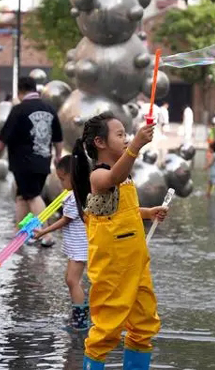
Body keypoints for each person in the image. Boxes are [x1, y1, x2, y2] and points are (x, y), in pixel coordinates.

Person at [71, 112, 168, 369]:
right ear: (100, 143)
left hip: (136, 264)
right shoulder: (98, 177)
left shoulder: (126, 176)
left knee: (144, 322)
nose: (126, 139)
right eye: (120, 135)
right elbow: (112, 179)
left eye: (127, 134)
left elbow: (120, 212)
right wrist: (136, 146)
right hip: (113, 267)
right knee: (107, 327)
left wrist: (147, 213)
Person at [0, 76, 63, 247]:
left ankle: (46, 234)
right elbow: (58, 137)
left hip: (23, 162)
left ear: (20, 91)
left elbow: (3, 137)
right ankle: (20, 233)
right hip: (43, 160)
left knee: (32, 196)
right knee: (22, 197)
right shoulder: (49, 109)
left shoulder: (19, 110)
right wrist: (58, 156)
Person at [33, 155, 90, 331]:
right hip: (77, 245)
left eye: (63, 179)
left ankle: (80, 320)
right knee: (71, 279)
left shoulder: (75, 196)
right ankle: (78, 312)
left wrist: (44, 230)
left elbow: (65, 220)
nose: (61, 183)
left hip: (80, 246)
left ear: (74, 176)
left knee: (72, 280)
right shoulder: (78, 193)